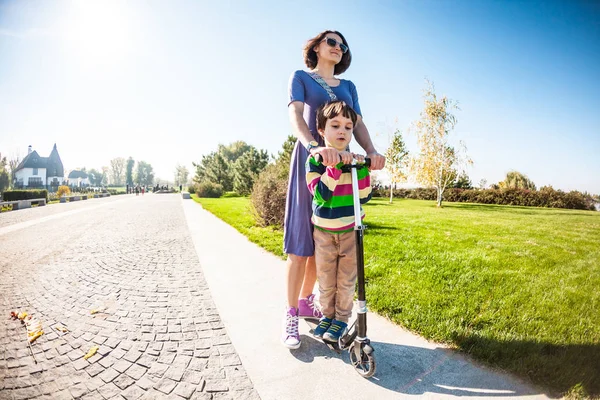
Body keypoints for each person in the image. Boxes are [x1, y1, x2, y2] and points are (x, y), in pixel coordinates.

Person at [283, 30, 385, 349]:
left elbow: (360, 125)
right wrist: (314, 147)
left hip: (344, 164)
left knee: (324, 237)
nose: (338, 48)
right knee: (301, 244)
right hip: (311, 159)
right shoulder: (301, 77)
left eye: (342, 45)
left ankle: (308, 303)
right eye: (331, 42)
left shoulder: (349, 87)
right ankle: (289, 315)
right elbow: (296, 115)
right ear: (316, 46)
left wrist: (372, 151)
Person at [306, 101, 372, 342]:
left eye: (348, 126)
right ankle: (327, 316)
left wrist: (362, 167)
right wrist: (333, 167)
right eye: (335, 125)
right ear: (322, 131)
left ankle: (341, 319)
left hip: (350, 232)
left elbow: (364, 196)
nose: (342, 131)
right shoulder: (314, 161)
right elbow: (321, 195)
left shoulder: (354, 161)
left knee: (345, 281)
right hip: (324, 232)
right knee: (326, 279)